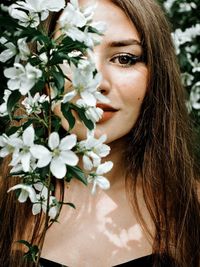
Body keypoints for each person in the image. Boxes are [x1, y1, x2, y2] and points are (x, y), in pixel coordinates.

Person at [0, 0, 200, 266]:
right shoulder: (7, 204)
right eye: (72, 55)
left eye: (124, 59)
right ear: (42, 73)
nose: (96, 83)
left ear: (156, 75)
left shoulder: (192, 207)